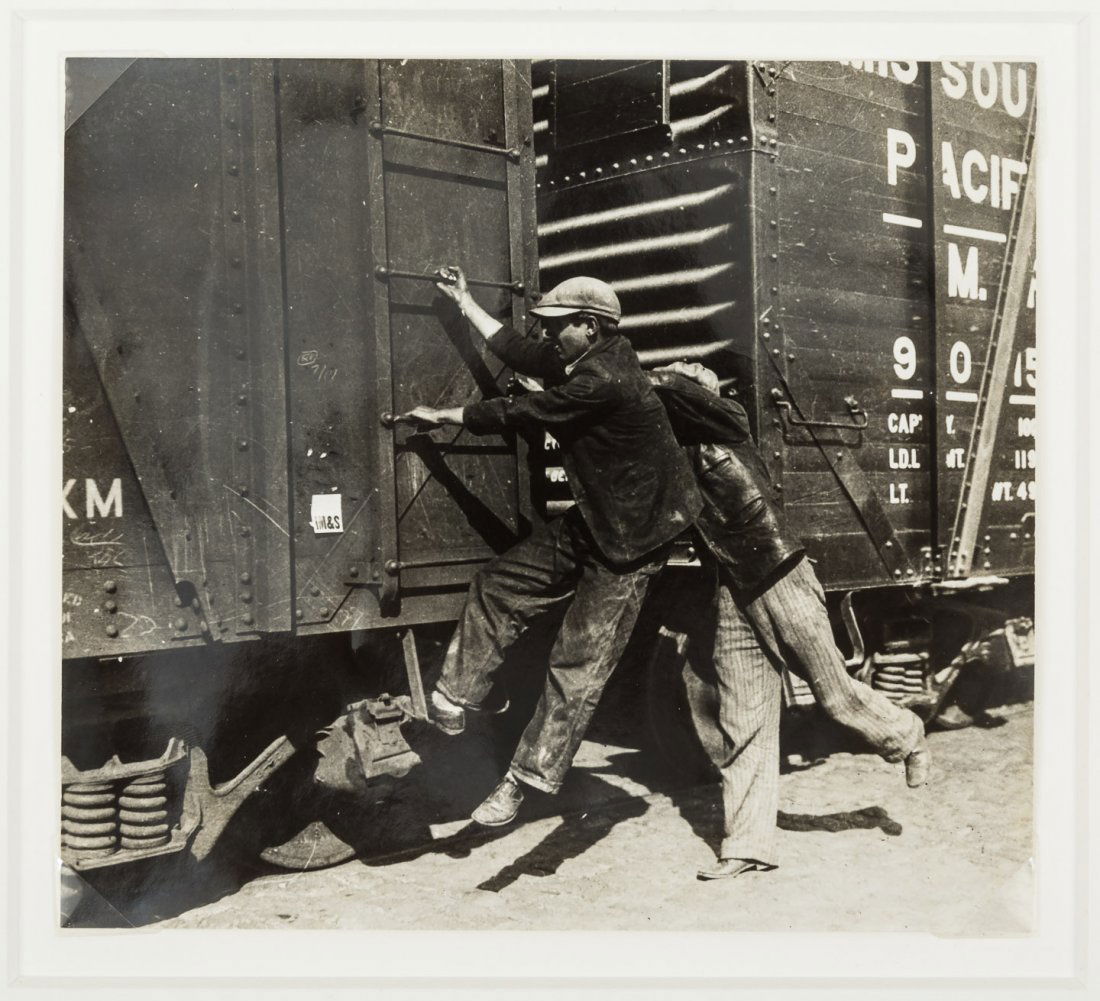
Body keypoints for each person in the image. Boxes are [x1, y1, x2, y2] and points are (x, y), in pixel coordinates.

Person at [395, 267, 701, 827]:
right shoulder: (584, 355)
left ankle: (521, 783)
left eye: (556, 327)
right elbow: (520, 353)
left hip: (630, 543)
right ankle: (456, 697)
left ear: (588, 326)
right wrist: (464, 300)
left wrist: (446, 414)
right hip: (596, 518)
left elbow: (524, 410)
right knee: (499, 582)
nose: (547, 336)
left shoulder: (603, 379)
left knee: (575, 666)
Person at [647, 363, 932, 880]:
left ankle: (906, 734)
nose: (685, 372)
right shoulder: (679, 448)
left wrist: (638, 374)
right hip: (732, 589)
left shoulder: (726, 420)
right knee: (744, 718)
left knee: (834, 695)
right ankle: (747, 845)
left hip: (780, 574)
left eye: (694, 370)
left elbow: (668, 387)